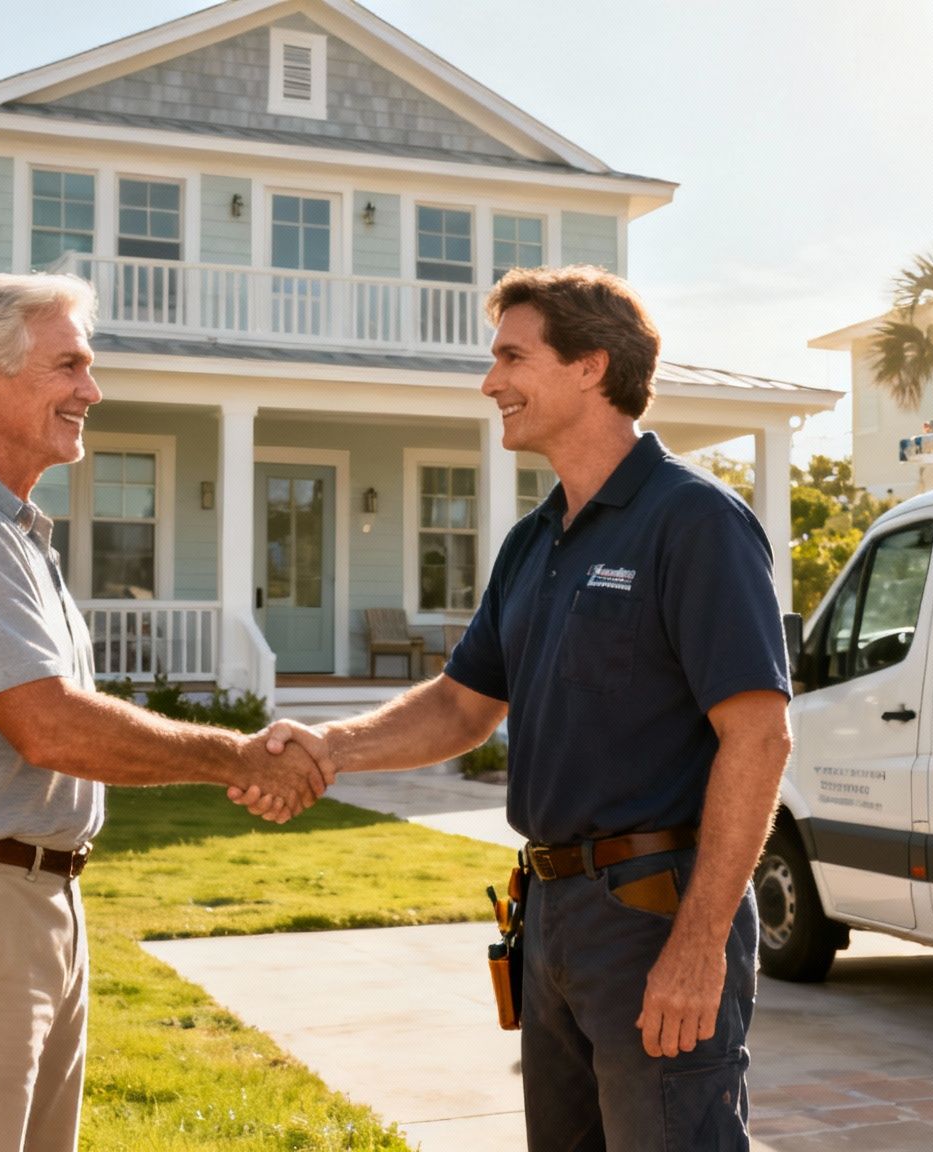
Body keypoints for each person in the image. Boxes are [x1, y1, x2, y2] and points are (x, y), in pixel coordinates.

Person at [247, 265, 792, 1150]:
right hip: (551, 915)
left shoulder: (693, 521)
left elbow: (759, 737)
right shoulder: (534, 540)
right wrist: (331, 745)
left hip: (656, 913)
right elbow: (462, 707)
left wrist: (697, 948)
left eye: (511, 355)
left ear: (591, 365)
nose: (491, 380)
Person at [0, 272, 331, 1152]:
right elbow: (50, 726)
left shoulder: (5, 530)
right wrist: (239, 759)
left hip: (25, 898)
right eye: (69, 365)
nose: (91, 391)